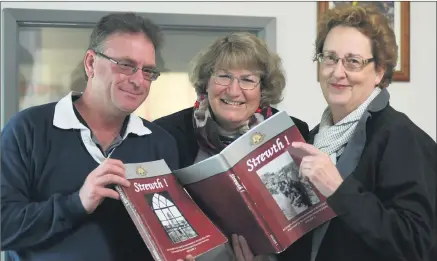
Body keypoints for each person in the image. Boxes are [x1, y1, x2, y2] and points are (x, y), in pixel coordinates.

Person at [1, 12, 194, 261]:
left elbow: (167, 235)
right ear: (91, 63)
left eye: (148, 71)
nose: (138, 80)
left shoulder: (160, 143)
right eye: (125, 65)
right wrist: (78, 203)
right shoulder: (28, 129)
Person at [276, 4, 437, 261]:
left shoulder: (402, 138)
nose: (338, 72)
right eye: (329, 58)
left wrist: (339, 190)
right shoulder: (314, 139)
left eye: (353, 61)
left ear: (379, 71)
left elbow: (418, 245)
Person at [154, 32, 310, 260]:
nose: (233, 90)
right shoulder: (166, 133)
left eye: (247, 80)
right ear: (206, 82)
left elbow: (304, 224)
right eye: (224, 77)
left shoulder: (292, 131)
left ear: (263, 89)